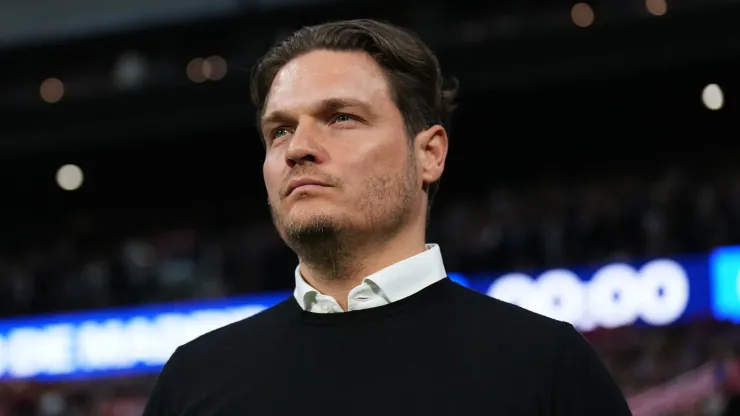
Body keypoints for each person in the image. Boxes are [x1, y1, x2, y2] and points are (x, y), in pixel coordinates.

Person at [143, 19, 631, 415]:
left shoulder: (547, 366)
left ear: (430, 154)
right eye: (279, 131)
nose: (299, 149)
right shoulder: (192, 381)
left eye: (341, 118)